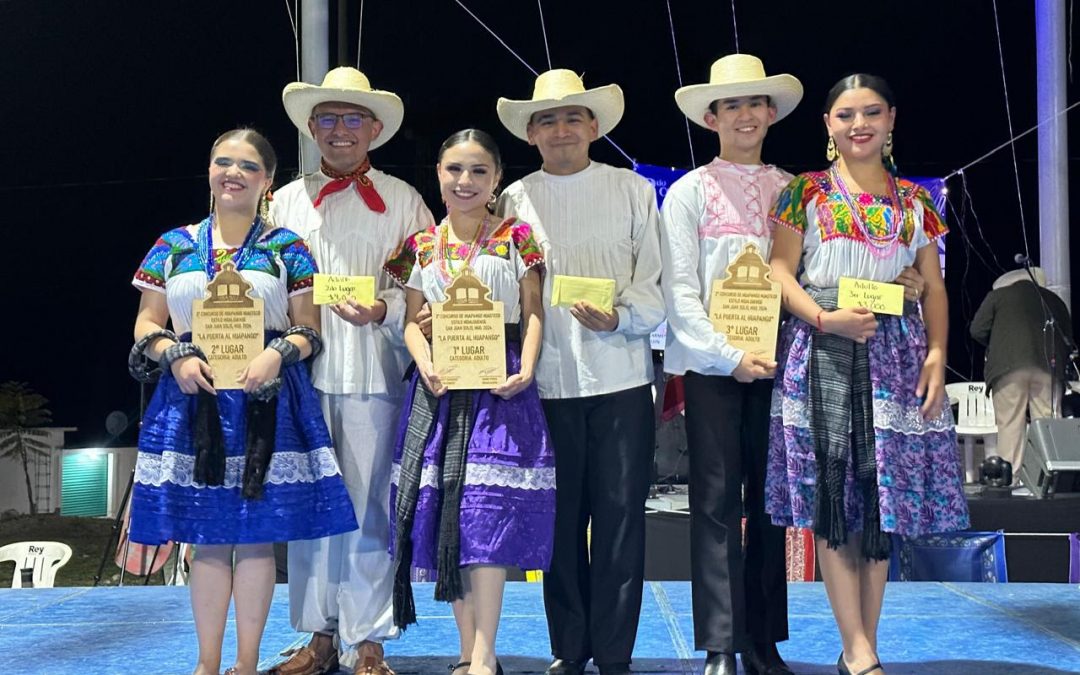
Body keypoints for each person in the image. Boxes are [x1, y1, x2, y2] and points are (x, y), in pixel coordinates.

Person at [128, 128, 357, 675]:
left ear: (267, 180)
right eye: (222, 162)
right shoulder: (173, 245)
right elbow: (146, 322)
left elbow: (310, 329)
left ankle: (247, 664)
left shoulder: (287, 248)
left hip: (267, 403)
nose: (233, 173)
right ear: (209, 171)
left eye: (247, 166)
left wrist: (277, 355)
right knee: (205, 540)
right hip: (192, 401)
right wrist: (174, 357)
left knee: (255, 541)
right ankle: (208, 665)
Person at [765, 74, 969, 675]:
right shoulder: (803, 193)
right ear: (828, 125)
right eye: (846, 114)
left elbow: (932, 288)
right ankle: (855, 646)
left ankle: (864, 644)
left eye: (872, 113)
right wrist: (826, 320)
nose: (860, 125)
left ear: (891, 120)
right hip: (823, 350)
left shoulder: (917, 201)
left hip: (894, 354)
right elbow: (779, 271)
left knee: (882, 505)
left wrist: (936, 354)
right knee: (835, 501)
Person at [496, 69, 665, 675]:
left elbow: (655, 281)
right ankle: (569, 648)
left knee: (621, 521)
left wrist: (620, 318)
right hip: (544, 386)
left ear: (594, 126)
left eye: (572, 117)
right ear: (531, 132)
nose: (561, 129)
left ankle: (616, 654)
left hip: (620, 378)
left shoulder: (631, 190)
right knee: (559, 524)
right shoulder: (512, 200)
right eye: (547, 119)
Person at [270, 67, 433, 675]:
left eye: (353, 119)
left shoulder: (403, 201)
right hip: (303, 377)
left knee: (370, 509)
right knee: (311, 508)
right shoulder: (283, 201)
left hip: (375, 373)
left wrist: (384, 308)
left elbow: (422, 288)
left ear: (374, 129)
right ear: (313, 129)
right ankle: (318, 635)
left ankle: (367, 639)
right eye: (329, 119)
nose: (341, 131)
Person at [384, 128, 555, 675]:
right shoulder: (420, 244)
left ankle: (485, 654)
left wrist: (526, 366)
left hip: (499, 390)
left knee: (486, 518)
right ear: (438, 174)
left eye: (479, 171)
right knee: (449, 518)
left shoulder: (518, 237)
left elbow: (533, 310)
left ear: (497, 179)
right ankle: (465, 651)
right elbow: (412, 321)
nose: (466, 181)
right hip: (438, 389)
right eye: (455, 169)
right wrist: (425, 358)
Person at [661, 54, 803, 675]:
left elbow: (818, 275)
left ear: (770, 114)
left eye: (754, 104)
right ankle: (721, 642)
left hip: (784, 364)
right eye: (731, 106)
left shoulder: (796, 190)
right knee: (716, 504)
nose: (744, 116)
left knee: (772, 504)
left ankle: (764, 639)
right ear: (710, 117)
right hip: (716, 368)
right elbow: (680, 290)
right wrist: (728, 356)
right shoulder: (690, 192)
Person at [971, 266, 1074, 475]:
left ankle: (1011, 477)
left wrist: (998, 342)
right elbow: (1068, 338)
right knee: (1047, 423)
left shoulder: (998, 296)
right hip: (1048, 369)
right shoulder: (1053, 300)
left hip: (1008, 368)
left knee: (1010, 424)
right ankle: (1051, 477)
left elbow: (977, 330)